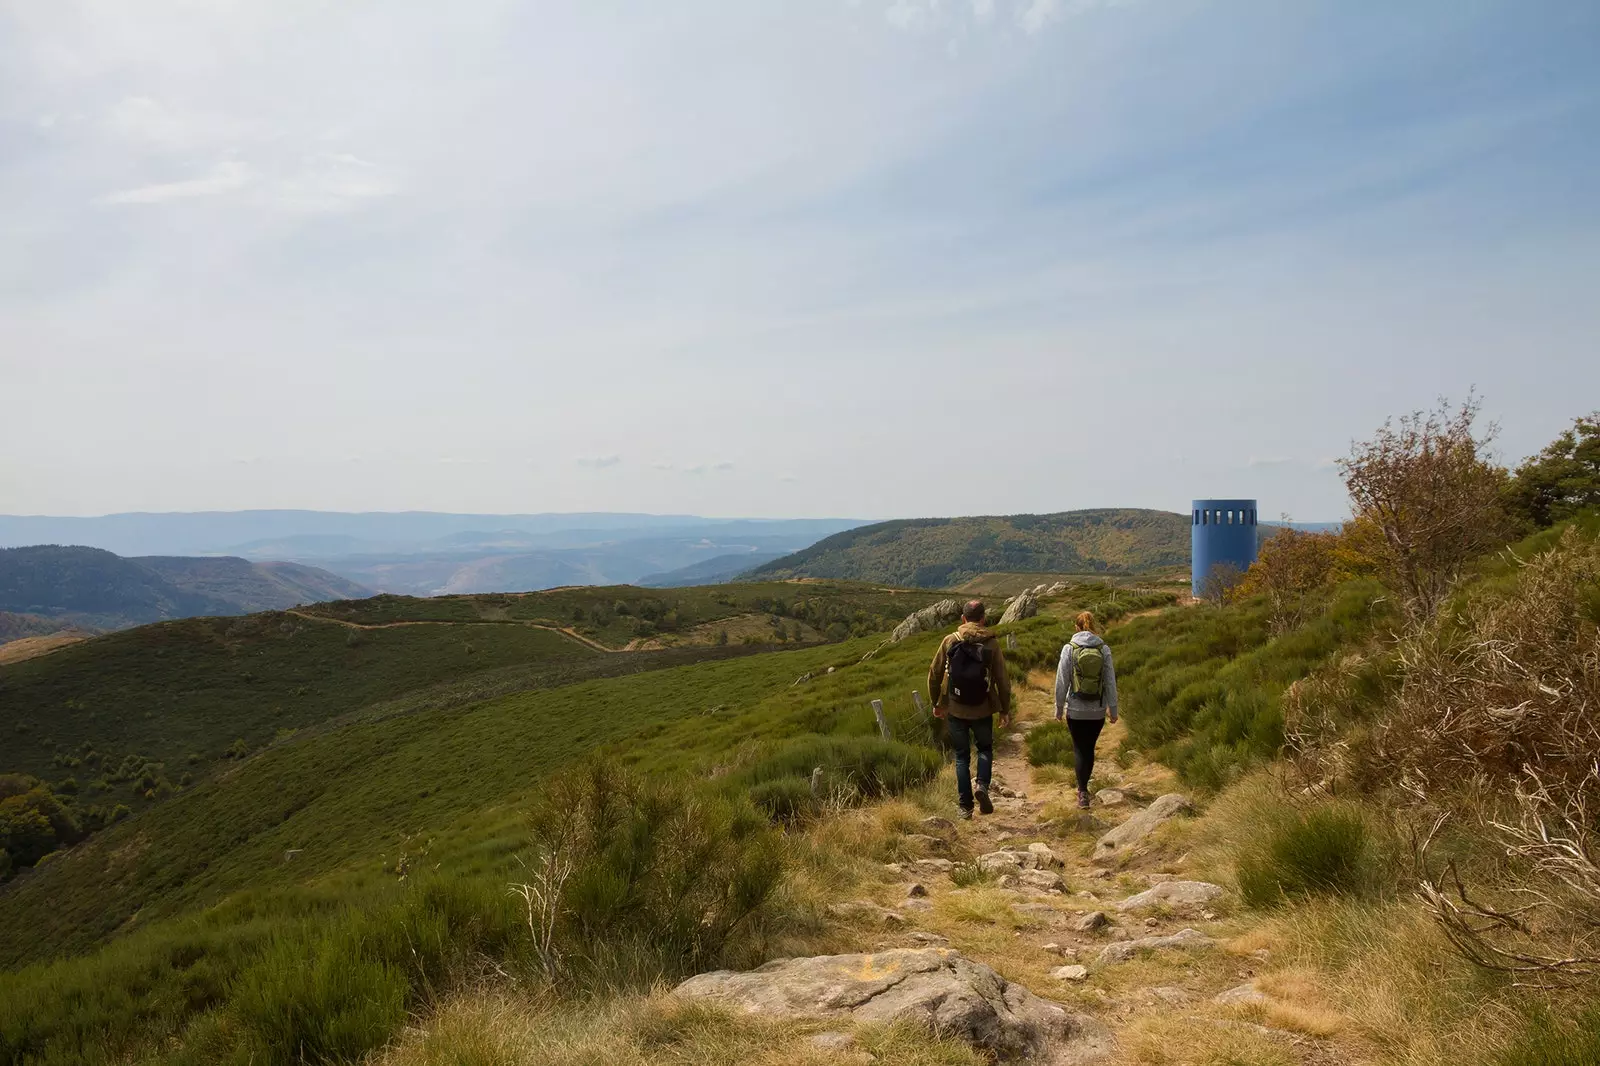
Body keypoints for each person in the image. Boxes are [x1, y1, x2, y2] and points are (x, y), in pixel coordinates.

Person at [928, 600, 1012, 819]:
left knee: (962, 757)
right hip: (983, 708)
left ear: (963, 619)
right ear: (983, 619)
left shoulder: (950, 640)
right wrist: (1004, 709)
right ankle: (982, 786)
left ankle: (965, 807)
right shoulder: (991, 644)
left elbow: (934, 674)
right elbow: (1003, 681)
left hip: (956, 709)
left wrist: (936, 703)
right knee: (984, 749)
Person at [1054, 610, 1119, 809]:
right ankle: (1084, 788)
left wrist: (1058, 708)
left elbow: (1062, 681)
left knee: (1079, 748)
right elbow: (1110, 681)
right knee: (1089, 748)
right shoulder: (1103, 649)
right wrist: (1113, 709)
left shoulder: (1069, 648)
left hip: (1075, 709)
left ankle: (1082, 791)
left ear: (1077, 627)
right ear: (1094, 627)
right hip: (1097, 710)